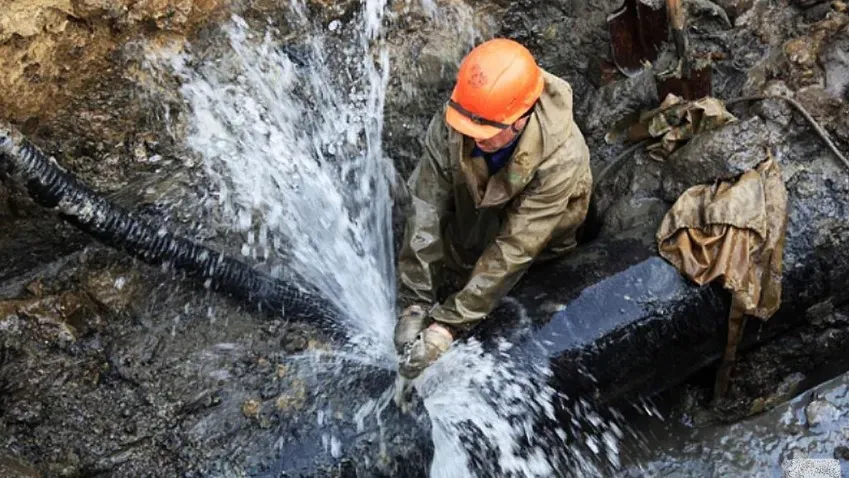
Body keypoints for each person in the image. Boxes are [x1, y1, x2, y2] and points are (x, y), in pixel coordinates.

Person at [393, 38, 592, 379]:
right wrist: (415, 302)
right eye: (468, 129)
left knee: (517, 291)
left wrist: (447, 327)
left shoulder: (561, 158)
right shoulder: (463, 115)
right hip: (474, 217)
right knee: (455, 253)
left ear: (519, 120)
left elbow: (516, 247)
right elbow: (426, 204)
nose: (472, 138)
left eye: (484, 133)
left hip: (540, 245)